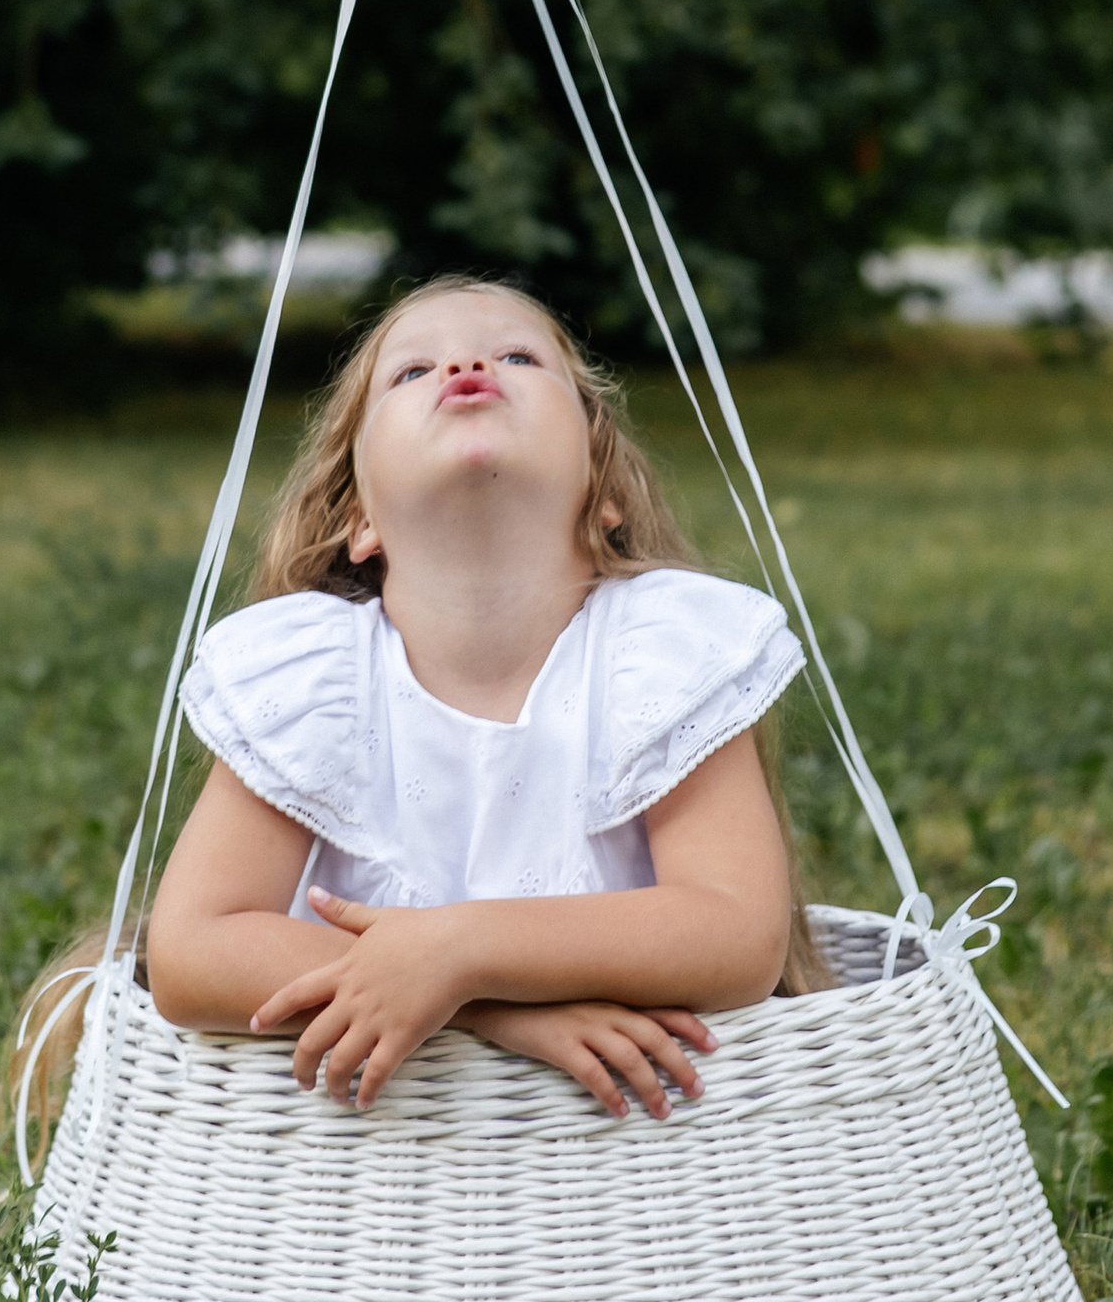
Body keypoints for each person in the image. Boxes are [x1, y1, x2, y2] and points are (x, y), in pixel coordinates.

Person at [145, 273, 830, 1121]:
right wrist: (484, 1007)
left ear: (604, 486)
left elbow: (736, 935)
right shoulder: (314, 678)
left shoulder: (661, 654)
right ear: (359, 516)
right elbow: (188, 950)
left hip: (623, 1167)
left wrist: (458, 948)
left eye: (518, 356)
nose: (467, 364)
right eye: (411, 372)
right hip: (369, 1168)